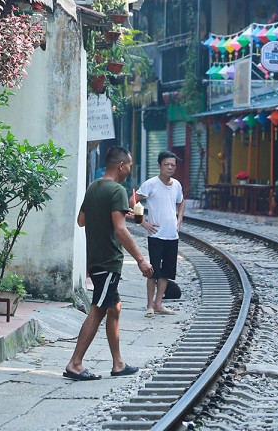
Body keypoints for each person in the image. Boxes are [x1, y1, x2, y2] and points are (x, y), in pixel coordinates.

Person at [64, 146, 153, 381]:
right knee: (99, 309)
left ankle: (118, 363)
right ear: (121, 165)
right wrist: (141, 260)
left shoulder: (94, 187)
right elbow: (120, 230)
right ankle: (75, 363)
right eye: (130, 166)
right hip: (108, 260)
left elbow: (82, 220)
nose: (129, 171)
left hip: (95, 258)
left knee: (115, 308)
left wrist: (117, 214)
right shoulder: (117, 190)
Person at [137, 150, 185, 318]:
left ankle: (159, 304)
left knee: (166, 272)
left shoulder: (177, 185)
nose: (170, 168)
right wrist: (143, 222)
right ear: (159, 166)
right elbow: (133, 200)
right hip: (156, 235)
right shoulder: (151, 184)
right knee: (153, 271)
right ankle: (149, 305)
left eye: (173, 165)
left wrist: (179, 218)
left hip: (172, 235)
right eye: (166, 164)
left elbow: (181, 201)